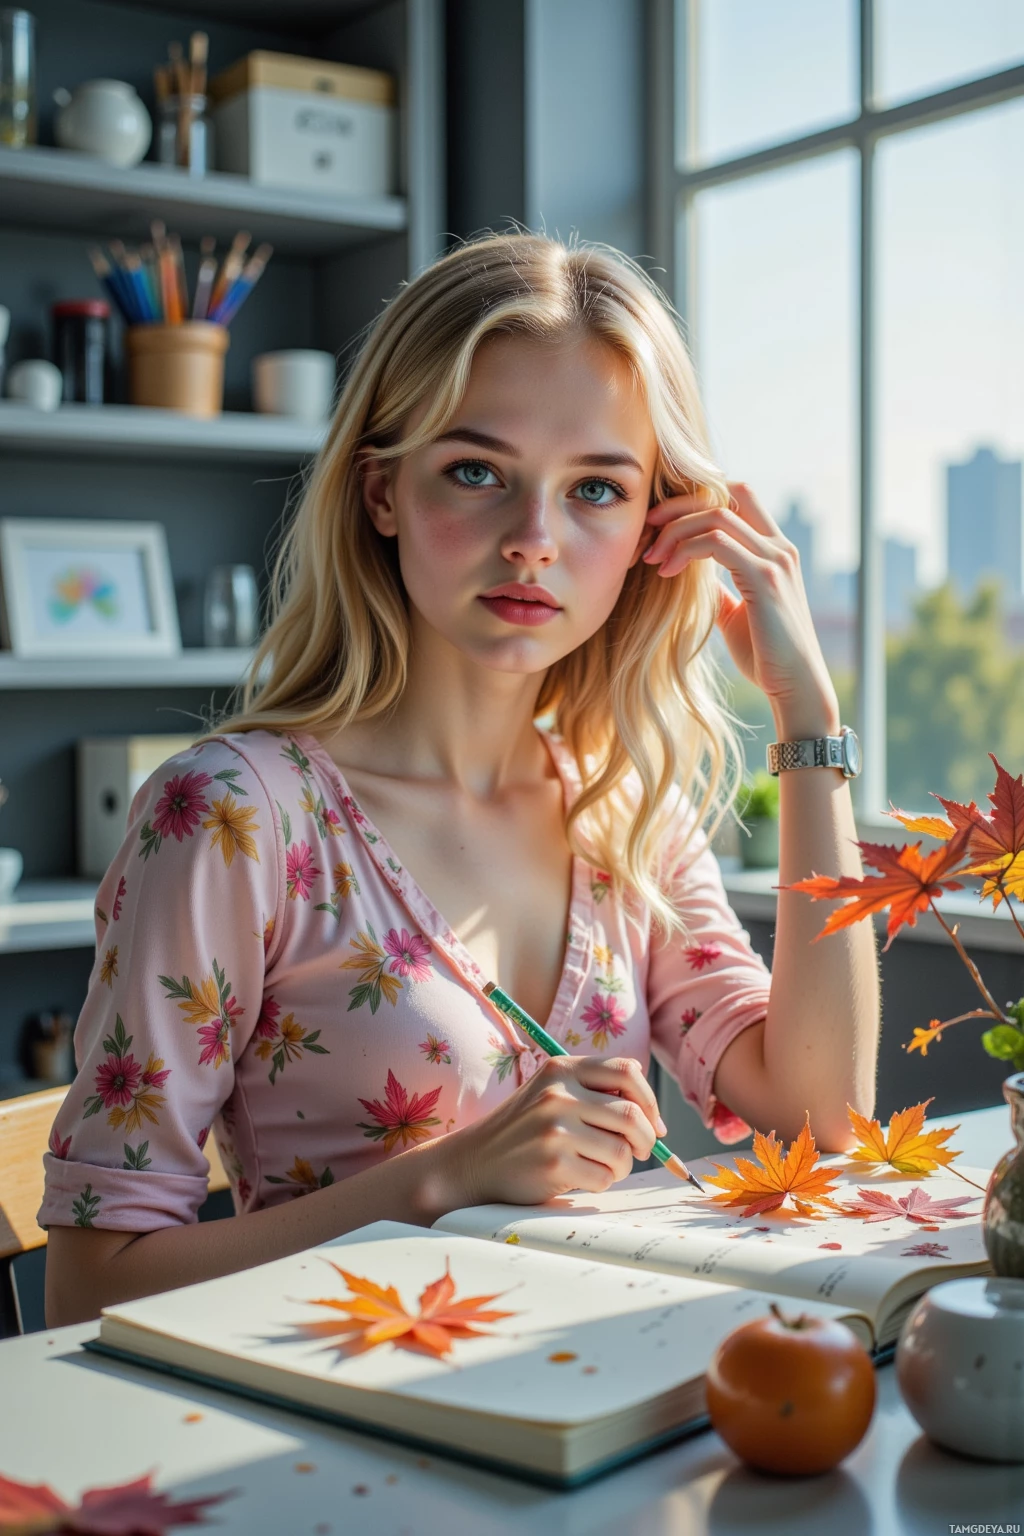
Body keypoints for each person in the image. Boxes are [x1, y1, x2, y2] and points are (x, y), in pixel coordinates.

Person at [42, 232, 879, 1326]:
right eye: (477, 472)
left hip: (588, 1411)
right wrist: (441, 1182)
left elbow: (823, 1118)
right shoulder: (232, 820)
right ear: (382, 490)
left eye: (594, 489)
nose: (534, 540)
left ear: (650, 532)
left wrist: (807, 722)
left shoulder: (626, 811)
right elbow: (87, 1290)